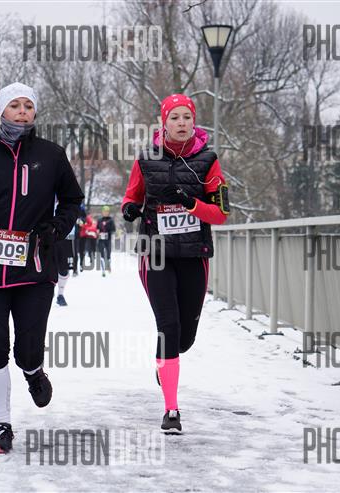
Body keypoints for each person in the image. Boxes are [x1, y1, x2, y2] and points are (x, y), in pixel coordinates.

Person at [0, 82, 84, 454]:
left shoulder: (51, 155)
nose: (22, 111)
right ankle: (1, 424)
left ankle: (33, 370)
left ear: (35, 113)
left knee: (28, 348)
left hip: (34, 267)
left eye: (28, 105)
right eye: (14, 105)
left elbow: (72, 200)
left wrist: (56, 227)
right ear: (1, 112)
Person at [121, 93, 229, 433]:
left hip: (194, 255)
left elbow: (221, 213)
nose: (181, 123)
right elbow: (132, 195)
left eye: (187, 117)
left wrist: (190, 202)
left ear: (194, 121)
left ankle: (165, 362)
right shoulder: (146, 158)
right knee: (168, 326)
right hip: (155, 253)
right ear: (163, 122)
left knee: (184, 339)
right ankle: (171, 410)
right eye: (175, 117)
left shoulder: (208, 160)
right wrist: (129, 208)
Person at [54, 225, 75, 305]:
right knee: (50, 267)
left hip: (67, 238)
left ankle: (60, 294)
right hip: (50, 237)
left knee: (64, 269)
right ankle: (50, 289)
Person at [96, 205, 116, 276]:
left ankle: (108, 265)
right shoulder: (99, 220)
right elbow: (97, 228)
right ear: (102, 212)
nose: (105, 213)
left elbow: (113, 229)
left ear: (108, 212)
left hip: (108, 239)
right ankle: (103, 270)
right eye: (104, 211)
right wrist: (98, 231)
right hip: (101, 239)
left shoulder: (111, 220)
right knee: (101, 254)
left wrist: (109, 231)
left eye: (107, 211)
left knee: (108, 254)